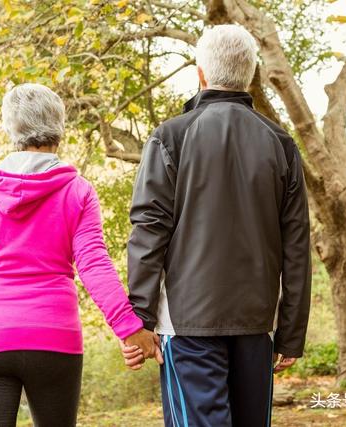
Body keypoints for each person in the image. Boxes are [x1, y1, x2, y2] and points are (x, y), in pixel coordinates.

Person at [0, 83, 161, 427]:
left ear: (11, 128)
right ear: (59, 126)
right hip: (54, 339)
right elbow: (93, 264)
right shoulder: (77, 191)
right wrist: (129, 328)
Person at [123, 25, 312, 426]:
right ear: (250, 74)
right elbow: (296, 245)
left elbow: (148, 231)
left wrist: (139, 321)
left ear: (201, 74)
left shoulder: (169, 138)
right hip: (257, 325)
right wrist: (291, 332)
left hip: (187, 324)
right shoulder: (281, 144)